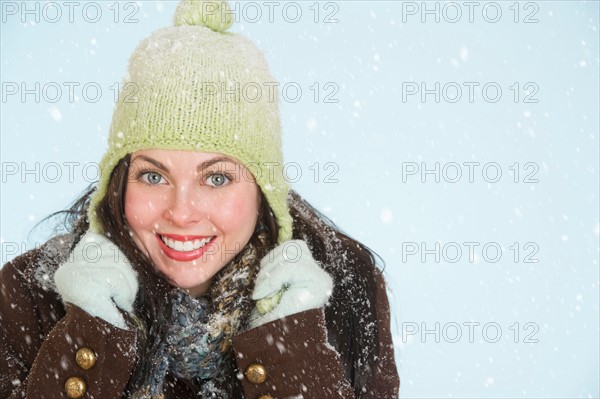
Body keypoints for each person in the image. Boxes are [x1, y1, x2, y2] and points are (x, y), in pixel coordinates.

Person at [0, 1, 400, 398]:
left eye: (217, 177)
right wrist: (90, 335)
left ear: (264, 192)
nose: (181, 211)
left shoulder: (345, 288)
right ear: (118, 183)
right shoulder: (29, 295)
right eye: (153, 176)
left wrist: (292, 346)